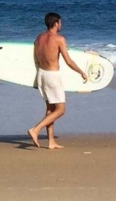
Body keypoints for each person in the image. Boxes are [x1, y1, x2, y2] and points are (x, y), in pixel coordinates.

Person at [28, 12, 88, 150]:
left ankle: (51, 142)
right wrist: (81, 72)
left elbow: (35, 58)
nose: (61, 25)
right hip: (52, 76)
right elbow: (68, 61)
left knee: (50, 109)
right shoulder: (59, 39)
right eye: (60, 22)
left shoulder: (38, 38)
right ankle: (35, 129)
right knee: (60, 110)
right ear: (56, 23)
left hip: (41, 74)